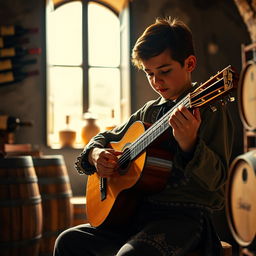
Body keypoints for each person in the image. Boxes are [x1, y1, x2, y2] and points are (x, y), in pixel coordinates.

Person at [54, 16, 234, 256]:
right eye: (149, 73)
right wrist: (96, 155)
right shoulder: (149, 111)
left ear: (189, 64)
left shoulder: (209, 108)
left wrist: (190, 145)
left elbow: (218, 182)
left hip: (184, 220)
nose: (156, 81)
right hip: (136, 216)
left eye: (164, 71)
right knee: (68, 241)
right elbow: (106, 137)